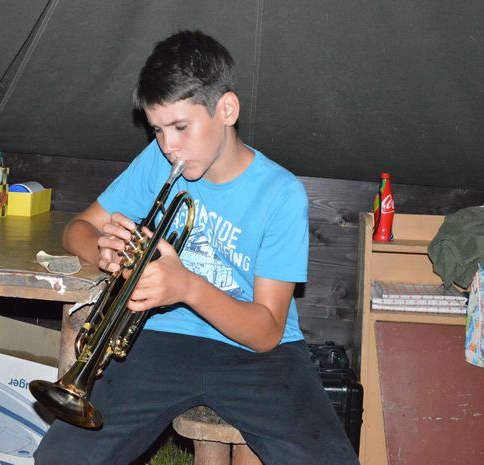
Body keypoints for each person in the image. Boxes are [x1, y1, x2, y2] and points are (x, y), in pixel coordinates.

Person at [34, 30, 359, 465]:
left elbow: (266, 332)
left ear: (227, 109)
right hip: (161, 338)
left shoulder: (281, 194)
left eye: (181, 127)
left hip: (257, 354)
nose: (169, 147)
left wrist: (186, 287)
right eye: (157, 130)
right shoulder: (156, 161)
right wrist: (104, 251)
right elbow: (77, 229)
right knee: (61, 458)